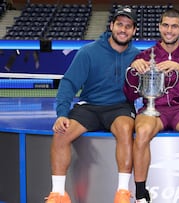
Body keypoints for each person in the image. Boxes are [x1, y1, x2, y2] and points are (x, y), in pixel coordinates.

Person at [45, 7, 140, 203]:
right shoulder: (88, 52)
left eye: (128, 26)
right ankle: (59, 194)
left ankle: (122, 193)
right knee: (61, 132)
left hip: (120, 107)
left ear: (134, 31)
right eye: (120, 24)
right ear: (112, 26)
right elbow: (69, 83)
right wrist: (62, 113)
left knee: (125, 128)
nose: (123, 29)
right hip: (89, 107)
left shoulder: (139, 57)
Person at [124, 8, 179, 203]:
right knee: (141, 132)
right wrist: (134, 72)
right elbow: (129, 94)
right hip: (152, 107)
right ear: (159, 27)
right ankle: (141, 195)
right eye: (166, 25)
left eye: (174, 26)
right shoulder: (144, 55)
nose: (170, 30)